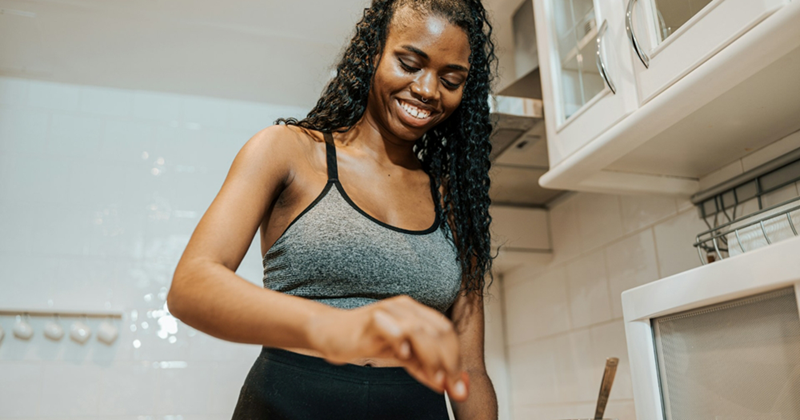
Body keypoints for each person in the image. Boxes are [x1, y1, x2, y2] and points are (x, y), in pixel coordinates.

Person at [167, 0, 499, 418]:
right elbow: (192, 286)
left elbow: (470, 367)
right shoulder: (288, 151)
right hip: (288, 402)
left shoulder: (454, 199)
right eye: (410, 63)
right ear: (371, 53)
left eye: (451, 79)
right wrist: (341, 327)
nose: (429, 90)